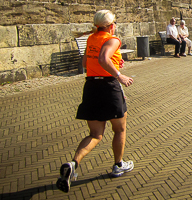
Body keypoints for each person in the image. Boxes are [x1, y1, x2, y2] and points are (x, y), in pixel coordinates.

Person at [57, 10, 134, 193]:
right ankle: (118, 165)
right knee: (119, 129)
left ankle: (73, 163)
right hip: (108, 86)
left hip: (91, 87)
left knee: (95, 135)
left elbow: (86, 62)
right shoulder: (113, 39)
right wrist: (119, 74)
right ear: (111, 25)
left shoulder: (91, 38)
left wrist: (114, 62)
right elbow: (102, 58)